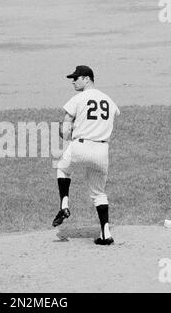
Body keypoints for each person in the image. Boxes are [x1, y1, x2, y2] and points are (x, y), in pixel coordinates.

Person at [52, 65, 120, 246]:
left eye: (76, 78)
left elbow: (66, 128)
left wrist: (66, 133)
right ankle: (106, 235)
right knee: (99, 193)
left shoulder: (78, 98)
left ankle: (64, 205)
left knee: (62, 169)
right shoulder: (108, 100)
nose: (73, 81)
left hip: (80, 147)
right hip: (101, 151)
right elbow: (114, 114)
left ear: (87, 79)